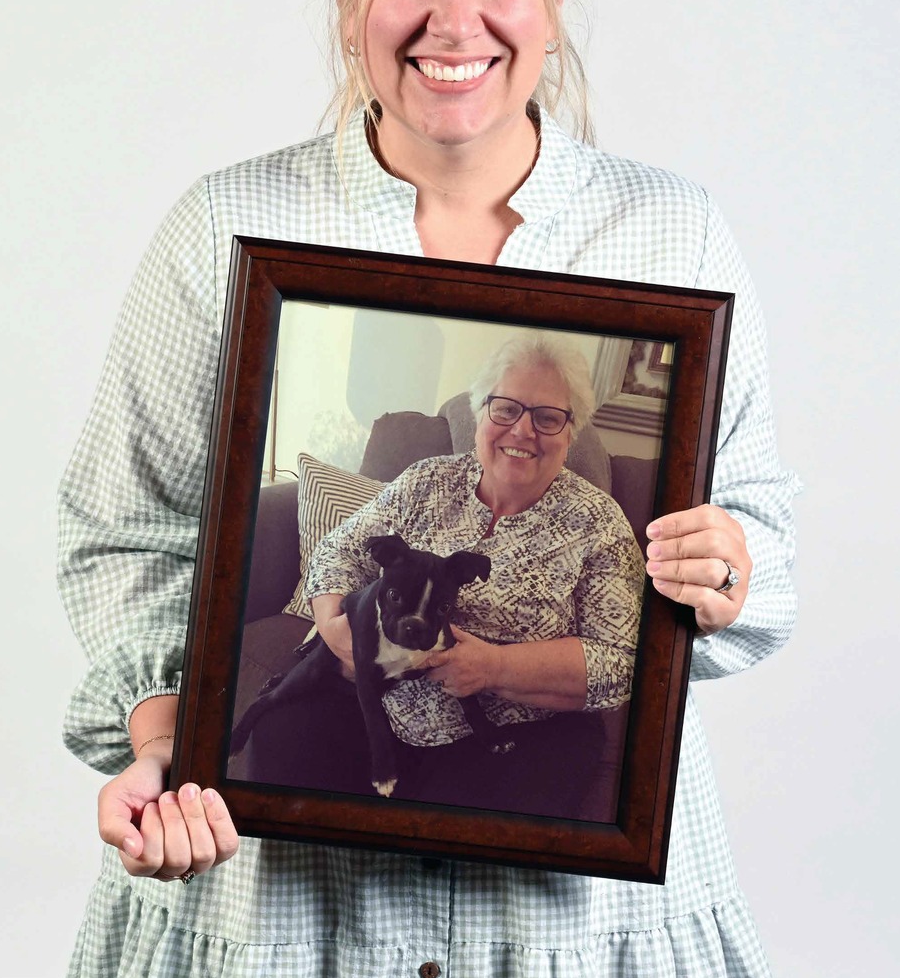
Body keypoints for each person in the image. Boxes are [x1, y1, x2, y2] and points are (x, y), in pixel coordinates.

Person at [58, 0, 801, 978]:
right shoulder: (222, 233)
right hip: (287, 901)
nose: (452, 19)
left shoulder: (673, 235)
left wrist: (727, 568)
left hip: (571, 905)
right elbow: (125, 535)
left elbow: (756, 545)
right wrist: (169, 739)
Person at [241, 334, 644, 818]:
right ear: (480, 414)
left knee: (451, 833)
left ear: (570, 431)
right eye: (506, 409)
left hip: (514, 729)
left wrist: (495, 668)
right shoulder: (427, 481)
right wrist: (335, 630)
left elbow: (618, 663)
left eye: (547, 417)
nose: (522, 430)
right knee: (281, 742)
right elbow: (340, 549)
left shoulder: (598, 522)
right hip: (379, 700)